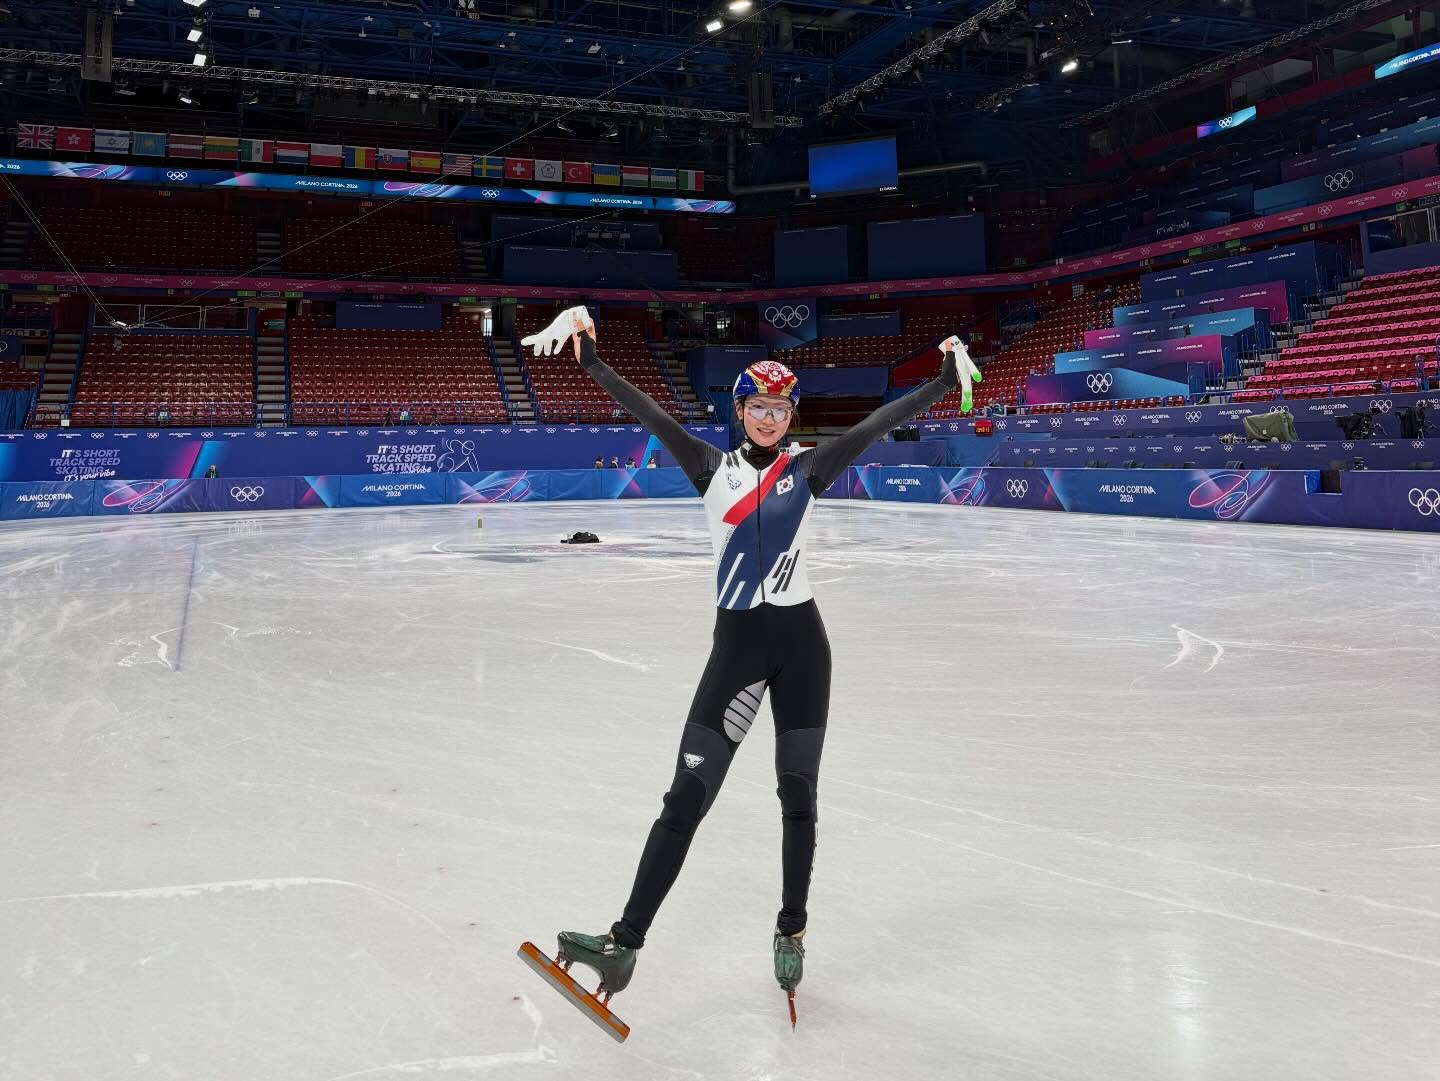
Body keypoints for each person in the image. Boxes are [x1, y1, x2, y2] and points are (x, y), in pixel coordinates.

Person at [519, 306, 980, 1014]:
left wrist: (944, 376)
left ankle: (791, 928)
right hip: (736, 651)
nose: (769, 417)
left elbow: (876, 423)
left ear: (791, 414)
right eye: (758, 406)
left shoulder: (809, 468)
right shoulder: (710, 467)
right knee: (684, 800)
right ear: (739, 410)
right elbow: (647, 413)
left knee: (798, 798)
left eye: (780, 407)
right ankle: (624, 941)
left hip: (803, 650)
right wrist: (590, 360)